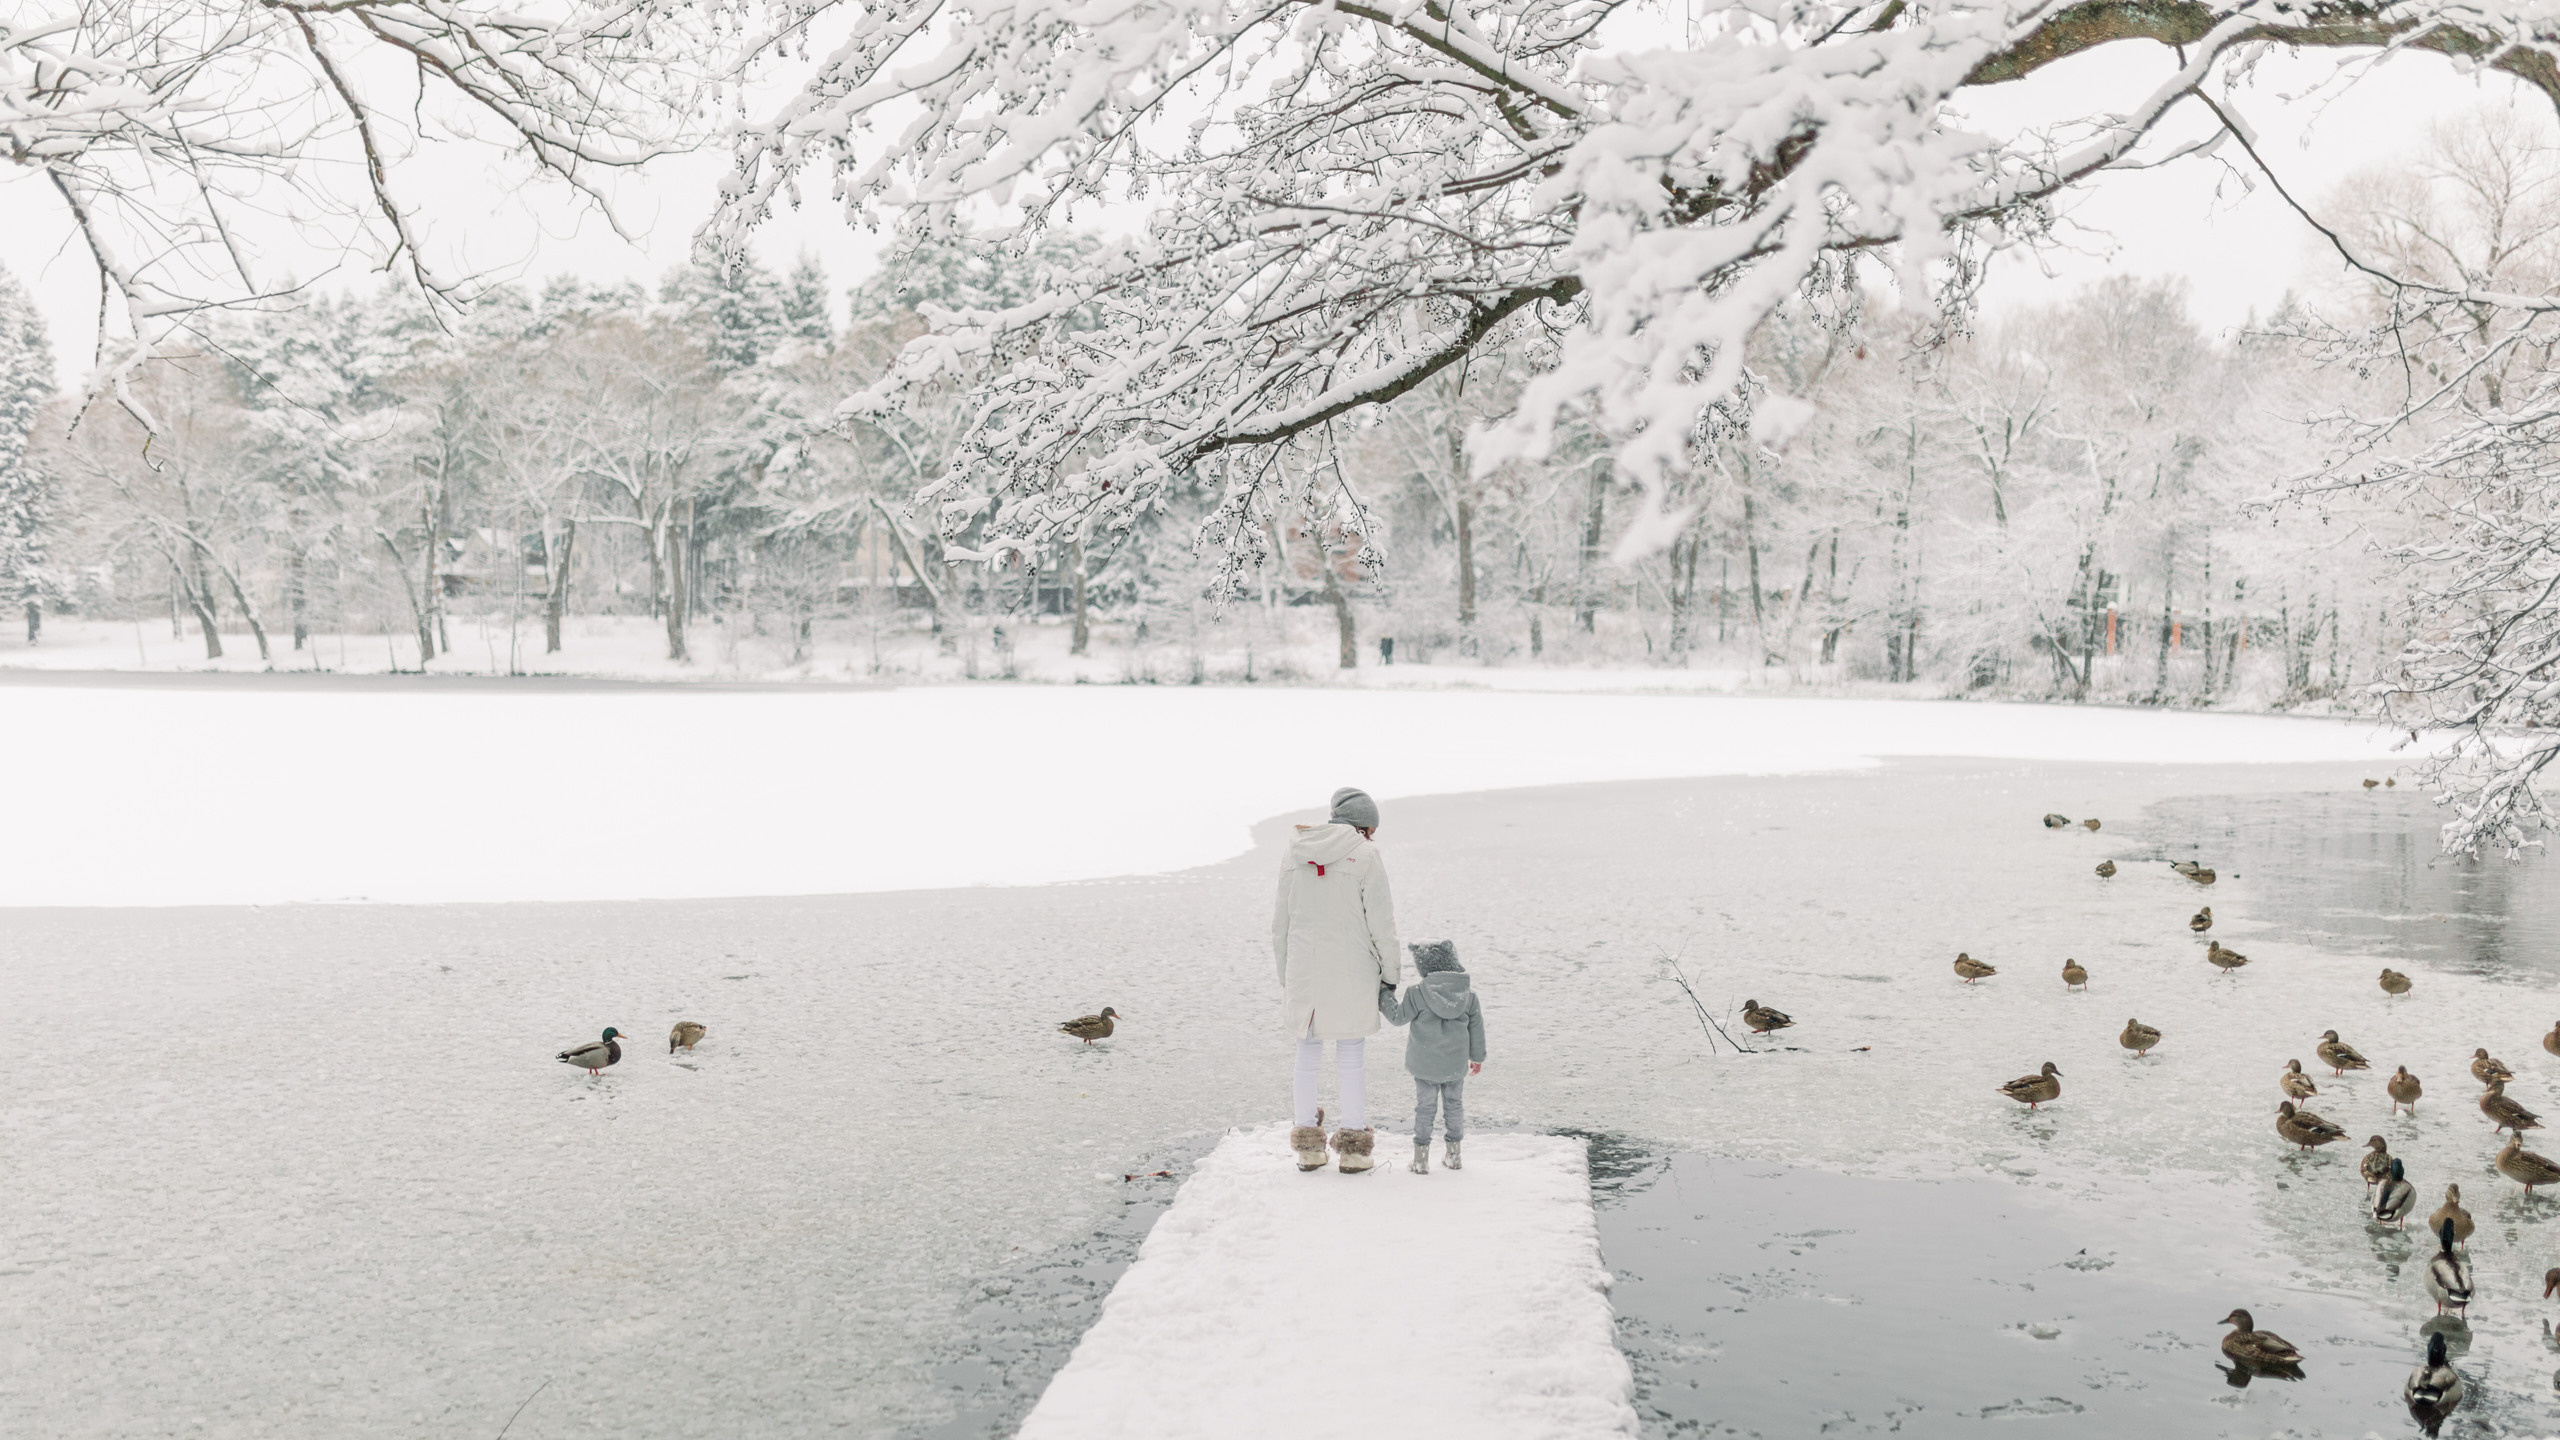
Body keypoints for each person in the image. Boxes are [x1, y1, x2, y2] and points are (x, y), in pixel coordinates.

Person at [1274, 786, 1401, 1173]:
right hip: (1352, 971)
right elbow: (1382, 922)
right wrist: (1390, 975)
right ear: (1364, 826)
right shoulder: (1365, 854)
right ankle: (1354, 1150)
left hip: (1304, 971)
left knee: (1306, 1055)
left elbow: (1281, 924)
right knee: (1351, 1056)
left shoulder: (1295, 852)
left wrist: (1287, 975)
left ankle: (1309, 1150)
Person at [1380, 940, 1485, 1173]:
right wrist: (1477, 1058)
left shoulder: (1417, 993)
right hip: (1455, 1066)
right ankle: (1454, 1156)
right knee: (1454, 1106)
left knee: (1425, 1108)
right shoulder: (1468, 996)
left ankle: (1420, 1159)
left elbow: (1397, 1017)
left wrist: (1383, 994)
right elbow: (1476, 1029)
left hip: (1424, 1064)